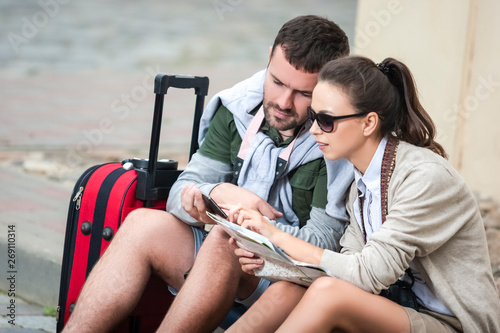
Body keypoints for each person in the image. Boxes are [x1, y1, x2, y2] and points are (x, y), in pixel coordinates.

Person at [63, 15, 353, 332]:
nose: (284, 102)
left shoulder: (334, 138)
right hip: (228, 263)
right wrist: (216, 194)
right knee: (141, 224)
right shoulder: (240, 107)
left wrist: (256, 230)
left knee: (223, 238)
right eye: (278, 82)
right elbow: (181, 192)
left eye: (303, 93)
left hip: (292, 283)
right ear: (269, 57)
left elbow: (325, 245)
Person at [226, 56, 500, 333]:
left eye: (326, 120)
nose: (313, 130)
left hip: (452, 324)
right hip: (398, 305)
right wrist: (271, 261)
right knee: (286, 291)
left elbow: (368, 274)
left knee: (327, 293)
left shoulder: (423, 178)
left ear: (369, 123)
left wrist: (276, 235)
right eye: (313, 116)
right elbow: (347, 267)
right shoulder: (363, 181)